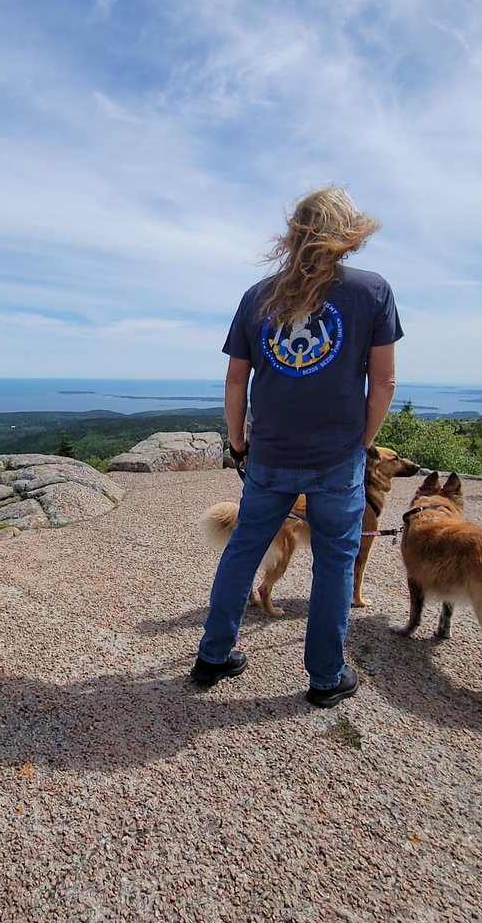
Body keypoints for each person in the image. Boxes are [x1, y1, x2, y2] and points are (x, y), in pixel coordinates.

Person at [190, 187, 402, 708]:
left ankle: (213, 656)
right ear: (347, 233)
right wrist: (362, 446)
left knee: (243, 549)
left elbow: (236, 379)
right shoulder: (372, 291)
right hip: (337, 457)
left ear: (293, 233)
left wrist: (239, 443)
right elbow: (385, 382)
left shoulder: (257, 295)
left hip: (269, 456)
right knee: (335, 561)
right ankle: (326, 678)